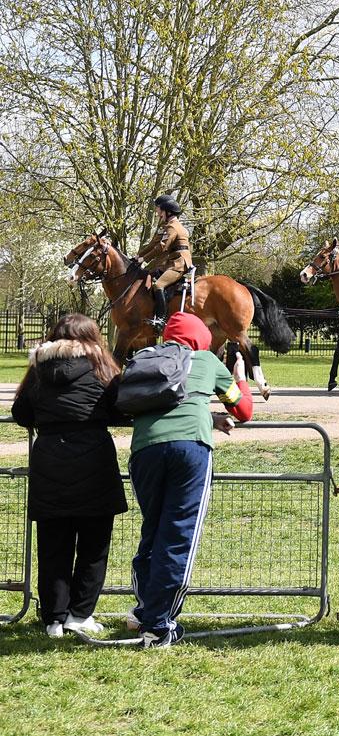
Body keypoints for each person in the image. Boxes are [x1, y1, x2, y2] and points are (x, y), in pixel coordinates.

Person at [128, 311, 253, 648]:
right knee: (179, 534)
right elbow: (243, 409)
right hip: (190, 451)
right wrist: (240, 376)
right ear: (201, 338)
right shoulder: (206, 360)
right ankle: (159, 624)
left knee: (153, 531)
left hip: (144, 452)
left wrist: (206, 414)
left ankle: (144, 610)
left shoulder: (147, 358)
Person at [11, 314, 128, 638]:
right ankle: (80, 613)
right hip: (95, 463)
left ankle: (53, 619)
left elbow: (21, 413)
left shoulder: (38, 370)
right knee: (93, 547)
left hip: (49, 462)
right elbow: (122, 408)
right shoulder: (103, 369)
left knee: (52, 547)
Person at [135, 194, 192, 329]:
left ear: (167, 211)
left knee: (158, 285)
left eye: (159, 210)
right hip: (171, 262)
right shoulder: (167, 226)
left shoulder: (173, 227)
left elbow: (162, 246)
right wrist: (137, 256)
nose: (158, 213)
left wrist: (144, 259)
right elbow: (153, 244)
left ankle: (161, 319)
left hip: (178, 263)